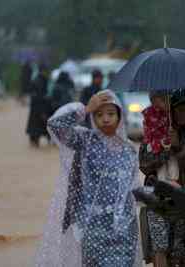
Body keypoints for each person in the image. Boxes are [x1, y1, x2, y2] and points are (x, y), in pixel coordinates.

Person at [35, 90, 142, 267]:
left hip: (124, 228)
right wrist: (85, 109)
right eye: (99, 114)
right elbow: (55, 126)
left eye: (111, 113)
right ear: (92, 118)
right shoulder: (84, 140)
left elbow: (133, 188)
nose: (106, 119)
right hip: (93, 227)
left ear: (120, 116)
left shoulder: (129, 149)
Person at [139, 88, 185, 267]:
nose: (183, 113)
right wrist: (163, 148)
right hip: (158, 203)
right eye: (179, 109)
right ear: (171, 110)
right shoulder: (153, 135)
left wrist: (178, 147)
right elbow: (144, 166)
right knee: (160, 253)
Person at [142, 90, 179, 183]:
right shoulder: (150, 113)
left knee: (173, 168)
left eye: (162, 101)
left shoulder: (172, 112)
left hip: (170, 146)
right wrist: (150, 143)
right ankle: (163, 184)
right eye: (154, 101)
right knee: (161, 171)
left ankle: (173, 181)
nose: (158, 104)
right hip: (157, 146)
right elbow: (149, 130)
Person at [26, 63, 52, 147]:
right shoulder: (41, 80)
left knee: (35, 130)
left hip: (35, 108)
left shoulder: (37, 79)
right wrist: (43, 111)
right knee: (40, 128)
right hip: (40, 108)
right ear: (43, 71)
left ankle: (34, 143)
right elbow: (40, 95)